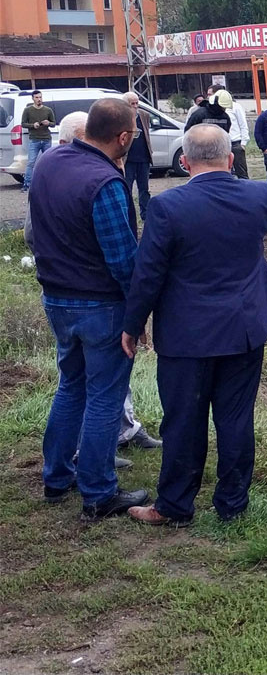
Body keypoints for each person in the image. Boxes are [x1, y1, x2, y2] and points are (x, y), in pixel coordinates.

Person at [122, 125, 267, 527]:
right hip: (244, 330)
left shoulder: (167, 207)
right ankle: (232, 505)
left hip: (188, 336)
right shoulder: (256, 194)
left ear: (184, 163)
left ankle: (175, 507)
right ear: (231, 159)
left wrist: (133, 325)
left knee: (183, 420)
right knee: (236, 419)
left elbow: (148, 274)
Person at [28, 97, 150, 521]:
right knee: (104, 397)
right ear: (122, 137)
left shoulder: (49, 163)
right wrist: (137, 316)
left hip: (56, 299)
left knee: (71, 386)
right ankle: (99, 493)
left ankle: (56, 477)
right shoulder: (106, 183)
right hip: (100, 306)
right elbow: (123, 260)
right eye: (132, 136)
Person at [120, 92, 153, 221]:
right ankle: (127, 214)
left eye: (136, 103)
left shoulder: (144, 115)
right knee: (127, 187)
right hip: (128, 159)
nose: (135, 106)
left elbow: (147, 133)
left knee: (144, 188)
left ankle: (145, 214)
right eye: (131, 103)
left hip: (143, 158)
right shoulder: (121, 118)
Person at [20, 90, 55, 193]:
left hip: (46, 139)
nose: (39, 99)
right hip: (34, 139)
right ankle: (27, 184)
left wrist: (48, 123)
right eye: (36, 97)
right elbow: (23, 124)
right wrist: (32, 125)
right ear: (33, 98)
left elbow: (53, 123)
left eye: (40, 97)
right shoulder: (28, 110)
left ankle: (50, 184)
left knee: (49, 162)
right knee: (31, 162)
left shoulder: (48, 110)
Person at [225, 92, 250, 179]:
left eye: (210, 94)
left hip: (236, 143)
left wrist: (243, 143)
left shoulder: (235, 107)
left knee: (241, 172)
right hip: (222, 144)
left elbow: (243, 125)